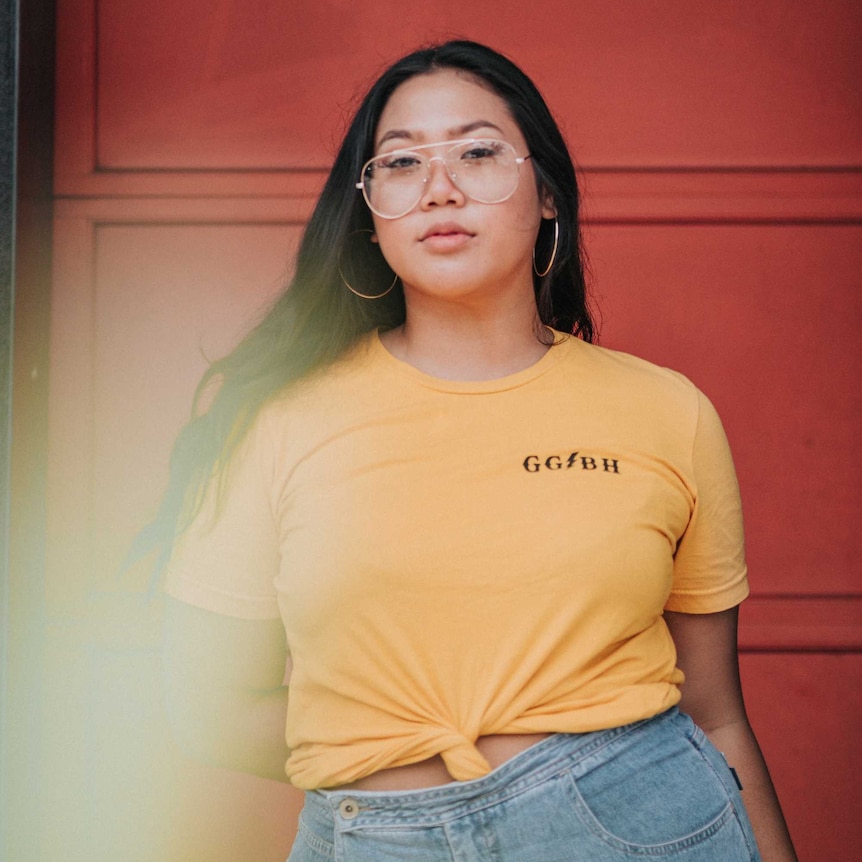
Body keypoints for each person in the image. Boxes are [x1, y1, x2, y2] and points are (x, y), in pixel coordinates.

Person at [158, 40, 798, 861]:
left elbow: (715, 716)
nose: (439, 187)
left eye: (479, 151)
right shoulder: (277, 422)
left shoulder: (667, 411)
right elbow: (209, 709)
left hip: (644, 829)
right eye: (400, 163)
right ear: (370, 211)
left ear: (548, 197)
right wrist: (403, 768)